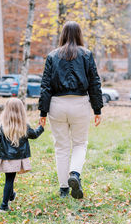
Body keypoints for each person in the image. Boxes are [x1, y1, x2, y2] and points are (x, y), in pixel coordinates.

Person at [38, 21, 103, 199]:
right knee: (80, 143)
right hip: (80, 103)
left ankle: (64, 188)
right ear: (79, 34)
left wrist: (42, 113)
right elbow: (94, 83)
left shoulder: (52, 56)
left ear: (63, 35)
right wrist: (97, 109)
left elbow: (45, 86)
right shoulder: (87, 55)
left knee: (61, 147)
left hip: (57, 105)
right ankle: (75, 173)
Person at [0, 98, 44, 212]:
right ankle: (7, 201)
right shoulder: (24, 126)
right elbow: (34, 134)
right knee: (10, 179)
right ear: (21, 111)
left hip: (6, 157)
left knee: (9, 178)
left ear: (6, 110)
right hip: (18, 157)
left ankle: (7, 200)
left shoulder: (0, 125)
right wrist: (41, 127)